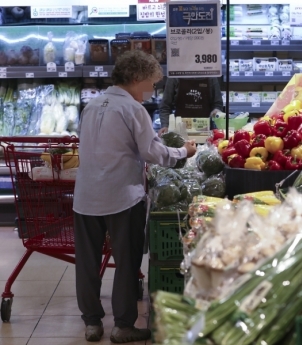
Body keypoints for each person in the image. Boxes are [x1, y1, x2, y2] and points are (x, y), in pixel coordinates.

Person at [73, 50, 197, 343]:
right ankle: (123, 326)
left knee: (87, 263)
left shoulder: (91, 106)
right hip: (121, 197)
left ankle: (92, 324)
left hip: (86, 197)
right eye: (152, 84)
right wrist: (183, 152)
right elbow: (151, 152)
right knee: (126, 263)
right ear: (136, 78)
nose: (152, 91)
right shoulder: (133, 110)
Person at [157, 77, 223, 136]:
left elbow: (218, 103)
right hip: (180, 134)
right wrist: (165, 125)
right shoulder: (175, 76)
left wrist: (216, 111)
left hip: (205, 133)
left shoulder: (211, 77)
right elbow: (165, 106)